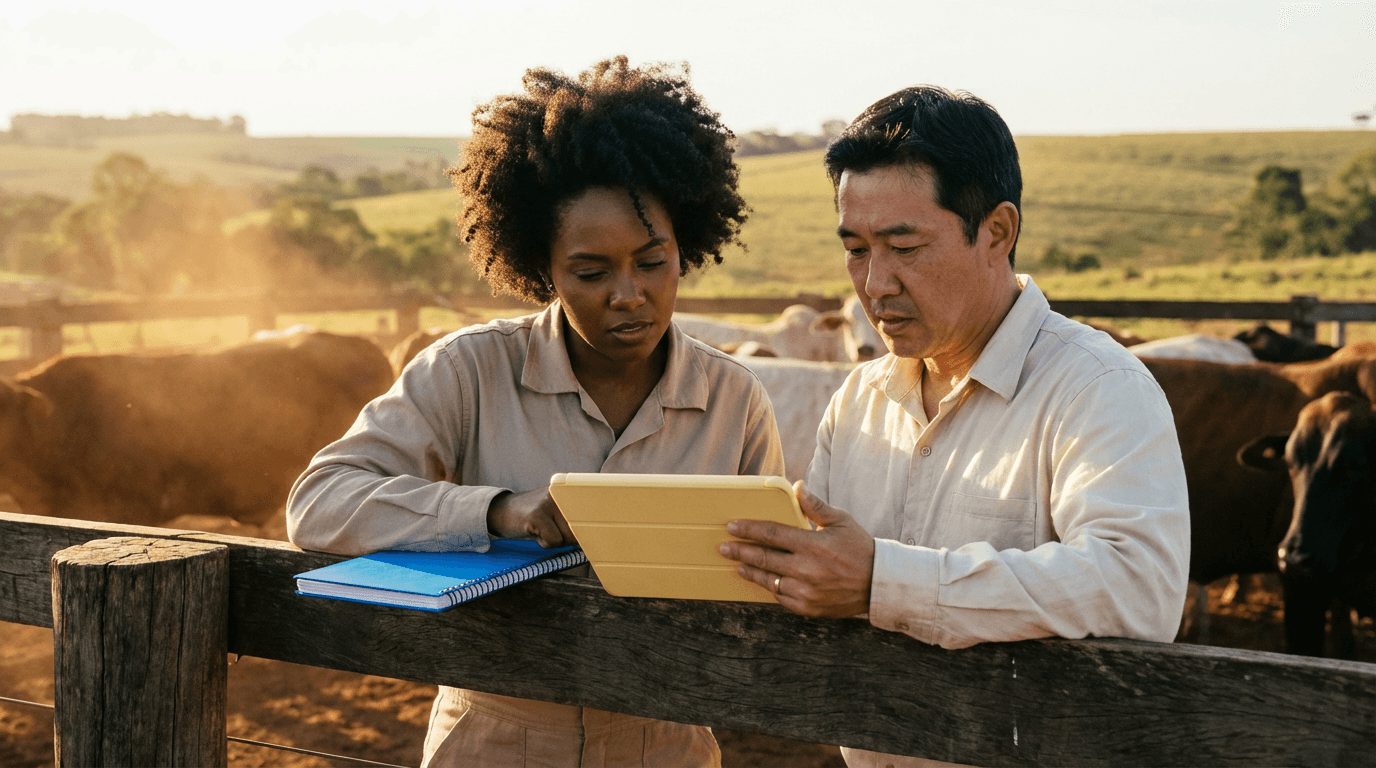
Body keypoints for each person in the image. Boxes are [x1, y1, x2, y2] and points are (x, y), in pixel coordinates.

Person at [287, 56, 784, 768]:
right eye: (590, 272)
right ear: (539, 267)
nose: (628, 294)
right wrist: (497, 512)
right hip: (490, 739)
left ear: (687, 249)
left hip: (667, 744)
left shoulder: (736, 400)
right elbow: (318, 504)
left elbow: (761, 583)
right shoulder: (467, 372)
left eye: (653, 261)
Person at [719, 86, 1191, 767]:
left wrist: (885, 580)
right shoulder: (858, 402)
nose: (875, 283)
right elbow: (823, 576)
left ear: (997, 231)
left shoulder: (1099, 388)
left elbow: (1136, 588)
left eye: (904, 246)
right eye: (855, 249)